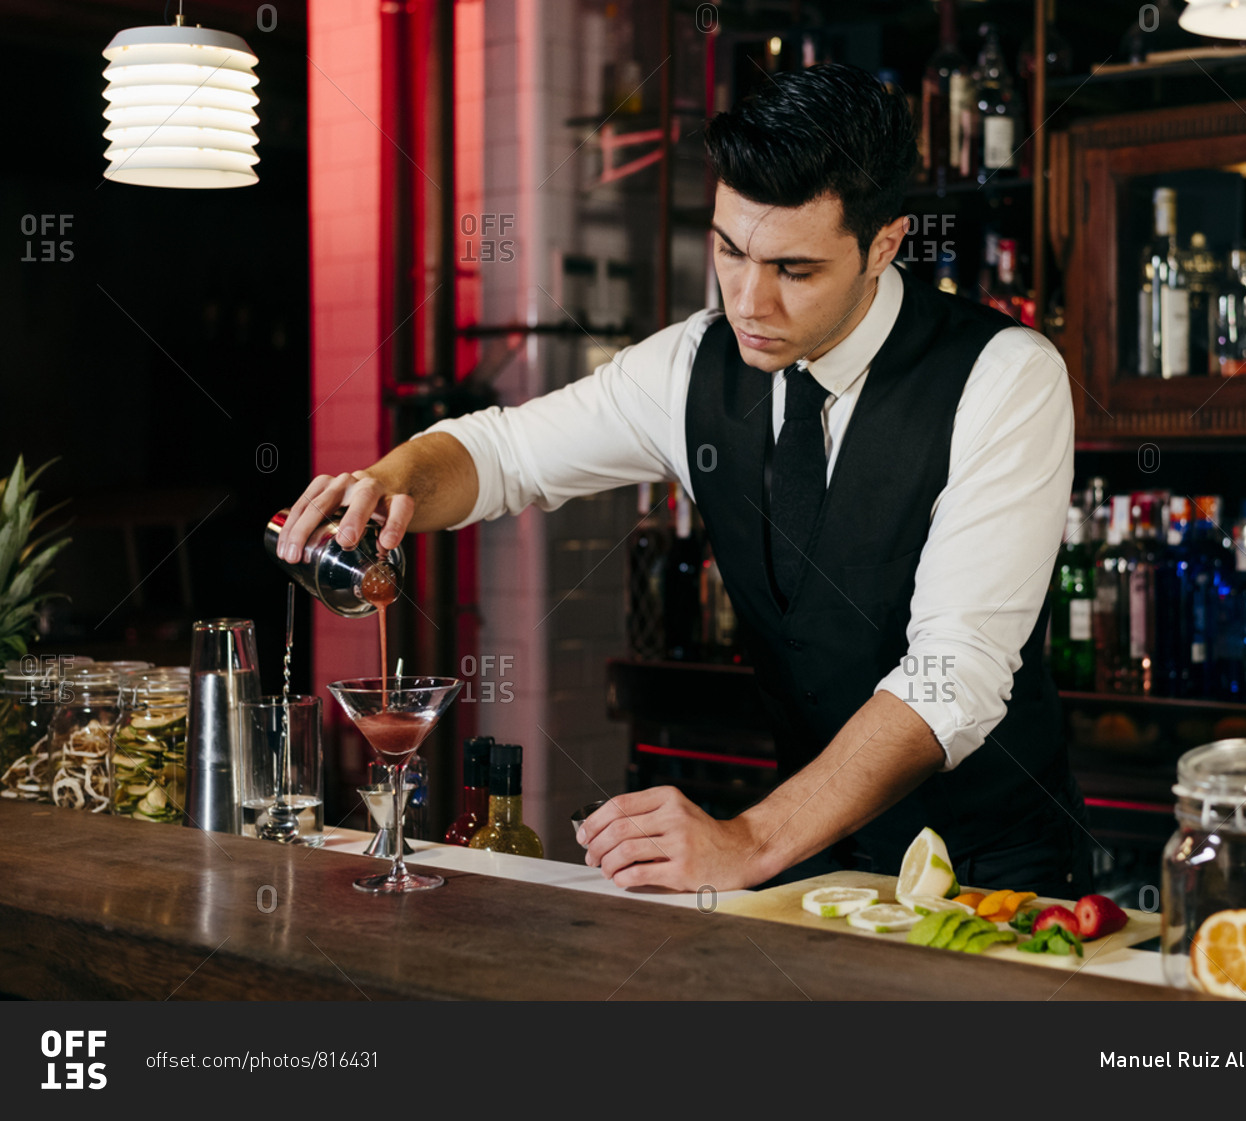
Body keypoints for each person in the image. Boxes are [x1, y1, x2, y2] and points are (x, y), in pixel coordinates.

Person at [276, 63, 1090, 896]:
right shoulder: (693, 365)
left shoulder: (1004, 377)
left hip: (992, 877)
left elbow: (953, 672)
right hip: (811, 872)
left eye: (794, 270)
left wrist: (748, 839)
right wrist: (389, 477)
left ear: (883, 245)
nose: (749, 300)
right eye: (730, 251)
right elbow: (505, 455)